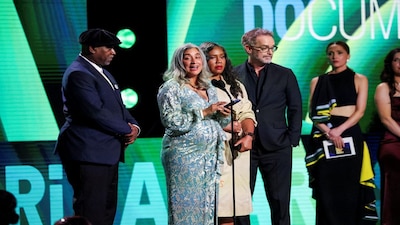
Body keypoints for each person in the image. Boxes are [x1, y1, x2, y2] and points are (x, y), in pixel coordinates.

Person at [53, 28, 140, 225]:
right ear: (92, 48)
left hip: (105, 152)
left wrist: (135, 126)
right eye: (109, 47)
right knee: (90, 211)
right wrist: (127, 130)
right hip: (88, 151)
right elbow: (95, 112)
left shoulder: (102, 73)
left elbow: (118, 108)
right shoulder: (78, 73)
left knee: (106, 210)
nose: (114, 52)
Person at [233, 28, 302, 225]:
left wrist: (291, 139)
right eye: (263, 48)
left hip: (278, 146)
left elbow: (295, 107)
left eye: (272, 48)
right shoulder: (233, 75)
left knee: (280, 203)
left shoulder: (285, 74)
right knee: (241, 203)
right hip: (244, 147)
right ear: (248, 48)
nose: (269, 52)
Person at [157, 43, 231, 225]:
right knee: (185, 209)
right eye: (187, 57)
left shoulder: (209, 87)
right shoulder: (171, 88)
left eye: (197, 57)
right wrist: (205, 112)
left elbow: (218, 122)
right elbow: (171, 122)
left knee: (207, 207)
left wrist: (222, 115)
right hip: (184, 156)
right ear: (179, 61)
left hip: (209, 157)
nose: (193, 61)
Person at [306, 41, 378, 224]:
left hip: (350, 133)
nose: (335, 56)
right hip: (324, 137)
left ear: (348, 55)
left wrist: (339, 130)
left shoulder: (360, 79)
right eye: (331, 53)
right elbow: (313, 113)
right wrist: (330, 132)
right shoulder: (318, 81)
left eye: (339, 52)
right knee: (328, 189)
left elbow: (360, 111)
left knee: (350, 187)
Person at [200, 42, 256, 225]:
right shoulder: (197, 88)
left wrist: (248, 135)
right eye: (213, 57)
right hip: (211, 153)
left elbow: (247, 112)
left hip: (235, 153)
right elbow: (194, 119)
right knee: (213, 208)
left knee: (230, 210)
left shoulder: (234, 86)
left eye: (222, 56)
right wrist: (223, 126)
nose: (219, 61)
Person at [374, 47, 400, 225]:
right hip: (393, 142)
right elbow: (386, 119)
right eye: (397, 60)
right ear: (390, 64)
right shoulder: (383, 87)